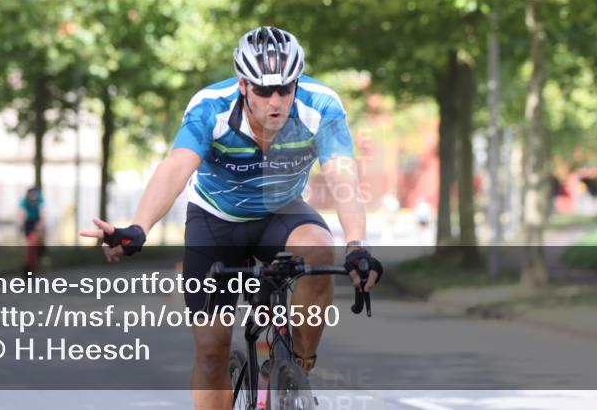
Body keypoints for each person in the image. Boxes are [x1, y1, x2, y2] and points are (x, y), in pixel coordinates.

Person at [81, 26, 383, 410]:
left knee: (320, 250)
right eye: (263, 90)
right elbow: (177, 167)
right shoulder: (211, 106)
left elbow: (343, 175)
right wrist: (139, 227)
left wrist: (357, 245)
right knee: (211, 353)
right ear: (243, 84)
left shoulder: (321, 106)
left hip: (281, 210)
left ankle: (298, 369)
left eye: (285, 89)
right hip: (215, 221)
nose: (276, 101)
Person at [19, 186, 44, 275]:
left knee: (38, 244)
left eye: (35, 195)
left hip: (37, 222)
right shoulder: (24, 201)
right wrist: (20, 225)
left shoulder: (40, 199)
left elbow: (42, 212)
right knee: (31, 245)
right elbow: (21, 213)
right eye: (31, 195)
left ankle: (36, 262)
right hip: (28, 223)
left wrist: (41, 225)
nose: (34, 197)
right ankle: (28, 266)